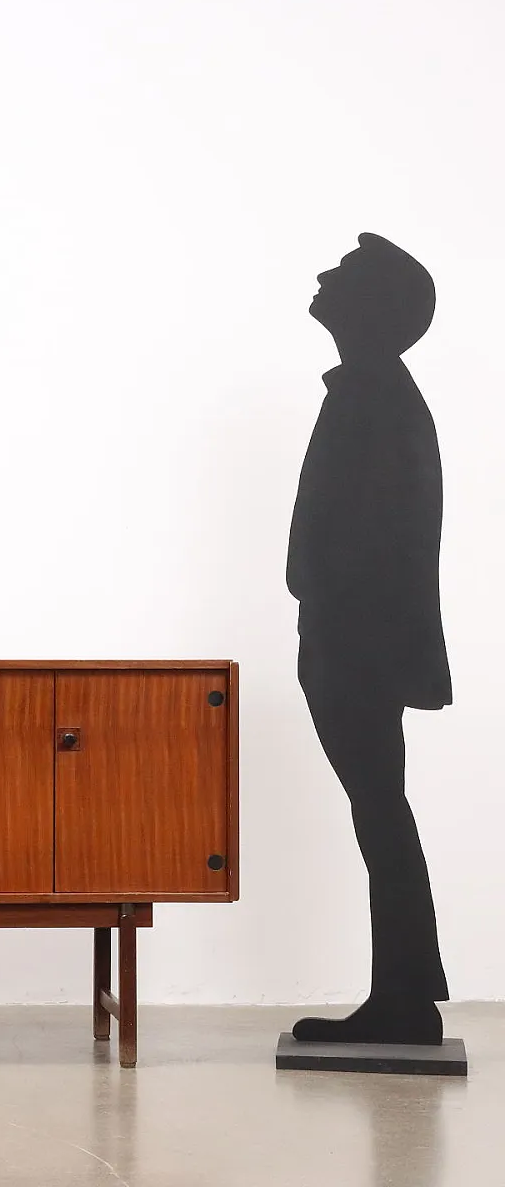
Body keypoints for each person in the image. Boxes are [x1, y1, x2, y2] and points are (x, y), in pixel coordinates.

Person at [287, 232, 451, 1046]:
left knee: (380, 809)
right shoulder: (372, 391)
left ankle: (407, 1000)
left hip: (359, 646)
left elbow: (386, 536)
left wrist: (333, 617)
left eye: (345, 274)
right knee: (380, 809)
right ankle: (407, 995)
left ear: (377, 308)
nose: (323, 276)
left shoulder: (377, 396)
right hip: (354, 640)